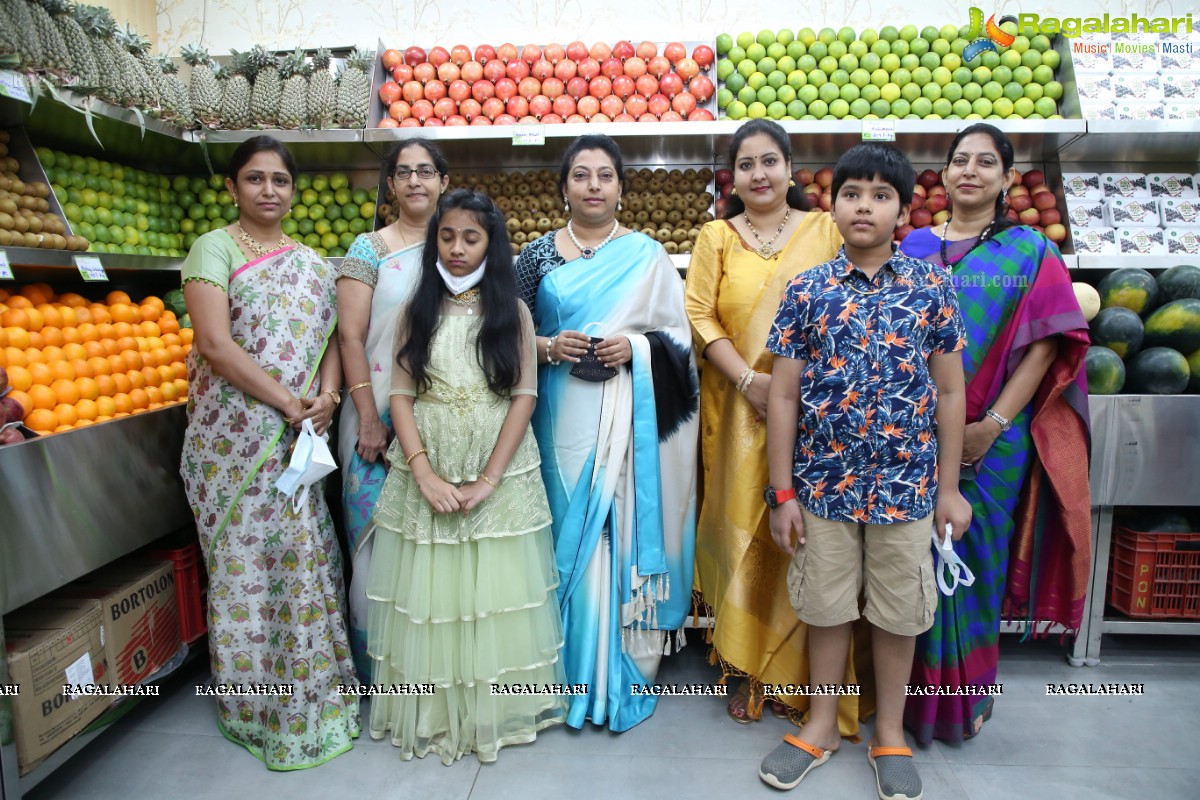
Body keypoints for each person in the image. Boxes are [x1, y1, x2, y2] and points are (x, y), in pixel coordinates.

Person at [757, 143, 972, 800]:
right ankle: (821, 724)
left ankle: (892, 734)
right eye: (853, 193)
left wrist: (949, 489)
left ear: (904, 211)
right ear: (833, 202)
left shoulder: (931, 287)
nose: (864, 206)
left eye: (881, 196)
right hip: (822, 488)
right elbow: (785, 395)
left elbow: (952, 393)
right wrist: (781, 492)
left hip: (906, 490)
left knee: (900, 613)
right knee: (825, 608)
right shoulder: (807, 290)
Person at [899, 123, 1091, 745]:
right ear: (945, 173)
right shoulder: (913, 247)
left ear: (1007, 178)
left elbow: (1044, 347)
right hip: (914, 436)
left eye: (986, 162)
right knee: (910, 565)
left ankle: (963, 703)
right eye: (959, 160)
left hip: (993, 440)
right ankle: (907, 702)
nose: (970, 171)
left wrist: (992, 426)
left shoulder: (1030, 251)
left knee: (973, 562)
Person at [366, 190, 567, 764]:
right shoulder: (416, 309)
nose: (457, 249)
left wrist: (489, 479)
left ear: (491, 244)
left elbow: (524, 396)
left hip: (497, 467)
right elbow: (401, 395)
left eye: (470, 238)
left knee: (492, 590)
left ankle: (493, 711)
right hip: (426, 461)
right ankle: (431, 711)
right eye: (447, 237)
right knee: (431, 590)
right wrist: (424, 472)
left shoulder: (514, 313)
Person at [179, 135, 359, 769]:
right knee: (244, 571)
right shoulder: (214, 248)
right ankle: (257, 707)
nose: (268, 191)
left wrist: (331, 395)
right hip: (233, 443)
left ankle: (317, 695)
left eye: (280, 180)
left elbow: (334, 337)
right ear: (233, 187)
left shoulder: (311, 262)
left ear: (293, 189)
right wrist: (287, 401)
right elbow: (214, 345)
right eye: (254, 179)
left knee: (302, 562)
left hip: (298, 444)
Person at [514, 134, 698, 732]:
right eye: (581, 175)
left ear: (621, 186)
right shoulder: (536, 256)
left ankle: (615, 661)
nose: (593, 186)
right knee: (563, 525)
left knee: (615, 530)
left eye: (605, 176)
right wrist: (545, 346)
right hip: (555, 416)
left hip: (627, 418)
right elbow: (502, 334)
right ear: (563, 185)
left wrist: (637, 346)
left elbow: (679, 342)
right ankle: (555, 663)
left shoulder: (647, 255)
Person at [685, 118, 864, 731]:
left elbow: (851, 308)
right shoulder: (717, 236)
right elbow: (700, 316)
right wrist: (749, 382)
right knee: (744, 535)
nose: (758, 175)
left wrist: (792, 389)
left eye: (769, 161)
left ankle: (806, 675)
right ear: (732, 177)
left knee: (808, 537)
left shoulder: (827, 228)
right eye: (745, 164)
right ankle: (746, 664)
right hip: (736, 411)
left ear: (790, 168)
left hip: (816, 416)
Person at [337, 138, 449, 681]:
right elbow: (351, 337)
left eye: (425, 171)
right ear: (390, 186)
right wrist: (369, 419)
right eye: (403, 173)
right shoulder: (369, 249)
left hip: (444, 424)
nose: (414, 181)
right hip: (375, 421)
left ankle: (432, 670)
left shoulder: (459, 247)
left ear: (443, 182)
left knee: (436, 549)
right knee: (377, 546)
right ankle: (382, 674)